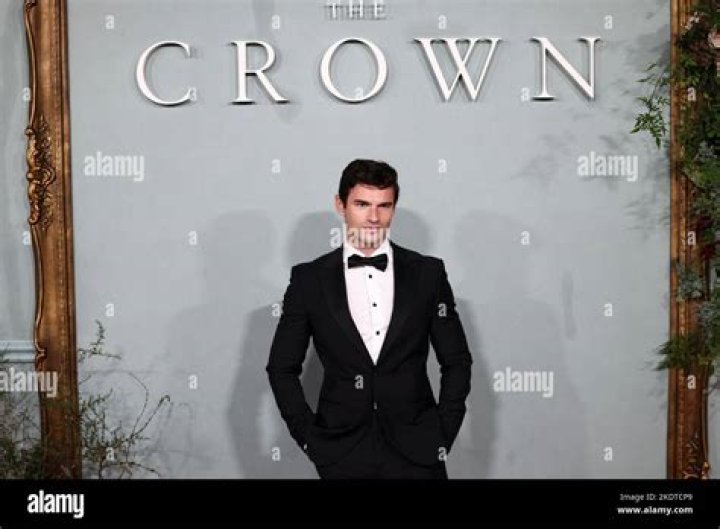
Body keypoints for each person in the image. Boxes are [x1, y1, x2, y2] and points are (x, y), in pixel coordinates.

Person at [266, 159, 473, 479]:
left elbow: (457, 360)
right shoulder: (309, 280)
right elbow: (281, 367)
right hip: (341, 451)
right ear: (340, 205)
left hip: (419, 447)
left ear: (394, 208)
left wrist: (442, 433)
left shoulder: (428, 274)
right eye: (362, 204)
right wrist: (310, 439)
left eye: (384, 206)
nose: (374, 217)